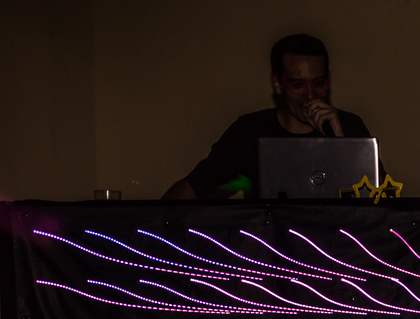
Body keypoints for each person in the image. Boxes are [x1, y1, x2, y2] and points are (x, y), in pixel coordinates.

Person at [162, 34, 381, 199]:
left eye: (319, 83)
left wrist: (342, 145)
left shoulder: (349, 126)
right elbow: (194, 185)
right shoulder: (249, 130)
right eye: (298, 85)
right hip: (272, 244)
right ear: (278, 84)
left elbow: (381, 203)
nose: (311, 95)